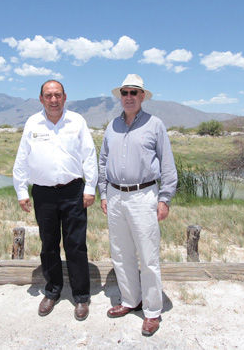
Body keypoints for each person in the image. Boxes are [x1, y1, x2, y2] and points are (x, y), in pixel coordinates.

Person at [98, 74, 177, 336]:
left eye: (134, 92)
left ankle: (152, 311)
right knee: (121, 252)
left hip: (144, 196)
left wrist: (164, 198)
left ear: (143, 96)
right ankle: (131, 300)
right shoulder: (112, 126)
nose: (129, 97)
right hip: (115, 195)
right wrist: (103, 193)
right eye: (125, 92)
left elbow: (167, 165)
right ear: (120, 96)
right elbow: (103, 160)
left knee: (149, 255)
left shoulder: (155, 125)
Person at [13, 80, 98, 321]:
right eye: (48, 96)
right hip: (43, 194)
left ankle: (81, 296)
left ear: (65, 97)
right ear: (41, 99)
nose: (53, 100)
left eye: (57, 95)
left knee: (76, 245)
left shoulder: (77, 121)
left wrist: (90, 188)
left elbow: (89, 156)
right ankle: (52, 291)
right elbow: (22, 158)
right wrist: (21, 191)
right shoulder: (32, 123)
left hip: (73, 191)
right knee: (48, 244)